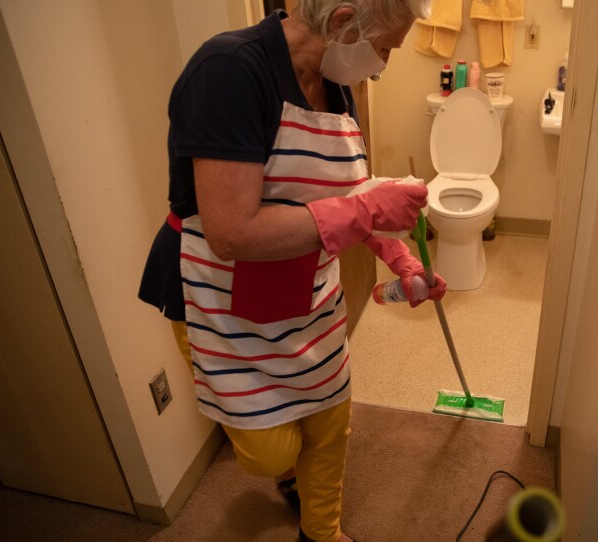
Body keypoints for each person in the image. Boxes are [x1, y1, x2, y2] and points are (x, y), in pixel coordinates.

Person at [137, 1, 443, 540]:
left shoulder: (335, 86)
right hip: (218, 296)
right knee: (268, 450)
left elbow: (344, 195)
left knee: (330, 422)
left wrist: (401, 257)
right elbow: (233, 233)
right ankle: (286, 474)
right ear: (345, 21)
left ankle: (321, 532)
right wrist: (367, 209)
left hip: (305, 290)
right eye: (387, 49)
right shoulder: (228, 71)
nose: (381, 66)